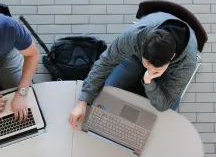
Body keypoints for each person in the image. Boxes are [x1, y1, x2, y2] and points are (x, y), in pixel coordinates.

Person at [68, 12, 197, 128]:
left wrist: (149, 81)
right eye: (146, 63)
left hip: (171, 71)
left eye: (154, 68)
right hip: (136, 57)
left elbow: (163, 104)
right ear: (143, 44)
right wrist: (82, 102)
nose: (149, 68)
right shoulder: (134, 36)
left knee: (162, 115)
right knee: (107, 89)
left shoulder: (186, 64)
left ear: (172, 57)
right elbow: (105, 62)